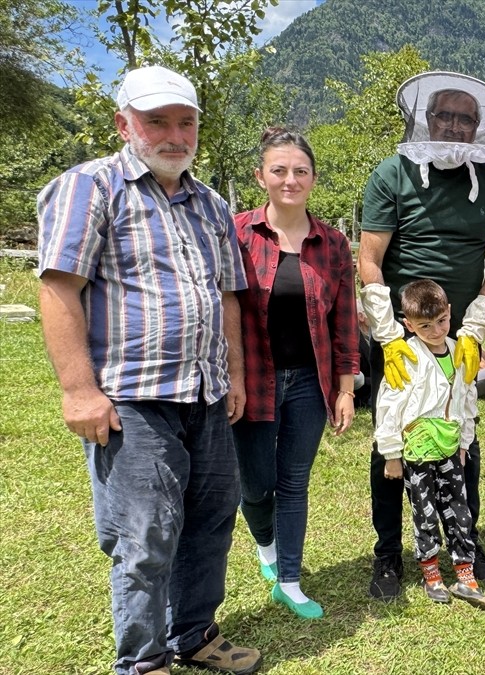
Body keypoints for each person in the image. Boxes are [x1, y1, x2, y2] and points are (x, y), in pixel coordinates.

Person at [36, 65, 260, 675]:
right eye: (156, 120)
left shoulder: (210, 203)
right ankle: (143, 660)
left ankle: (193, 636)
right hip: (132, 397)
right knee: (145, 535)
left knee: (211, 521)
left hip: (206, 394)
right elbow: (58, 289)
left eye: (185, 122)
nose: (173, 134)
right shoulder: (90, 187)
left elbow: (229, 296)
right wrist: (79, 390)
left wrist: (235, 376)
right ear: (123, 123)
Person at [358, 71, 485, 599]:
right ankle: (387, 555)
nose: (454, 125)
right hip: (402, 336)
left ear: (478, 128)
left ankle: (464, 542)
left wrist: (473, 328)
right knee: (392, 444)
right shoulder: (390, 174)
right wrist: (388, 337)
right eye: (444, 115)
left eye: (465, 118)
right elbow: (370, 260)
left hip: (457, 337)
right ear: (426, 119)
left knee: (460, 438)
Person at [231, 128, 358, 621]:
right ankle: (265, 545)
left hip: (308, 381)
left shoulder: (333, 244)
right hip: (252, 380)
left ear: (313, 178)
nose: (290, 179)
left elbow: (344, 320)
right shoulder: (238, 233)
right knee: (256, 485)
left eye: (300, 171)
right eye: (279, 170)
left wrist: (345, 388)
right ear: (261, 176)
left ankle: (289, 579)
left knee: (294, 481)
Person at [360, 279, 485, 609]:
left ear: (450, 313)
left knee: (459, 510)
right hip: (417, 453)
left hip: (449, 449)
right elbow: (389, 406)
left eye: (441, 321)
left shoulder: (461, 351)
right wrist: (391, 454)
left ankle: (464, 572)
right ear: (408, 324)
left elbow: (466, 399)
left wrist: (463, 443)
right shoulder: (406, 356)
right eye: (424, 325)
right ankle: (431, 573)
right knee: (425, 512)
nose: (435, 331)